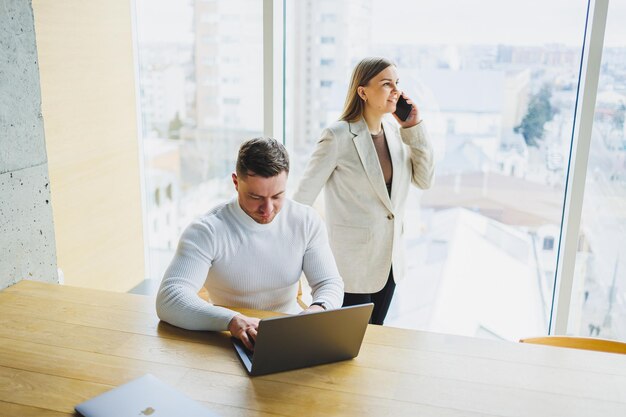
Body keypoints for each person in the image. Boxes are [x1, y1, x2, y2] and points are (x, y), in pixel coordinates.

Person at [156, 137, 344, 350]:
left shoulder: (306, 221)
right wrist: (232, 320)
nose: (268, 209)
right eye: (255, 196)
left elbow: (329, 283)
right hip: (229, 338)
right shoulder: (207, 231)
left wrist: (316, 311)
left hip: (292, 335)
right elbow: (169, 298)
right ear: (236, 182)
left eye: (277, 196)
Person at [293, 57, 434, 325]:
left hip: (389, 265)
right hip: (350, 268)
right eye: (386, 84)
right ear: (363, 91)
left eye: (397, 84)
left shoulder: (398, 134)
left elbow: (425, 180)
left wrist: (414, 127)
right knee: (345, 346)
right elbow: (302, 199)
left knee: (375, 341)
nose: (397, 91)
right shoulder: (337, 137)